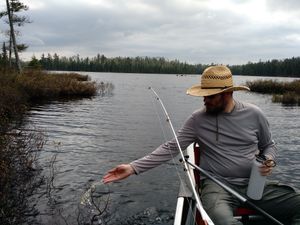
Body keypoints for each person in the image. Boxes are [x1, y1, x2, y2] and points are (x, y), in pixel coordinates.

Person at [103, 65, 300, 225]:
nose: (204, 100)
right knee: (223, 221)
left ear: (227, 94)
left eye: (210, 96)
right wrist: (133, 167)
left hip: (254, 185)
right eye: (203, 95)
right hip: (217, 188)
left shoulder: (254, 114)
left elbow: (269, 145)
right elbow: (171, 147)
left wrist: (269, 160)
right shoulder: (197, 120)